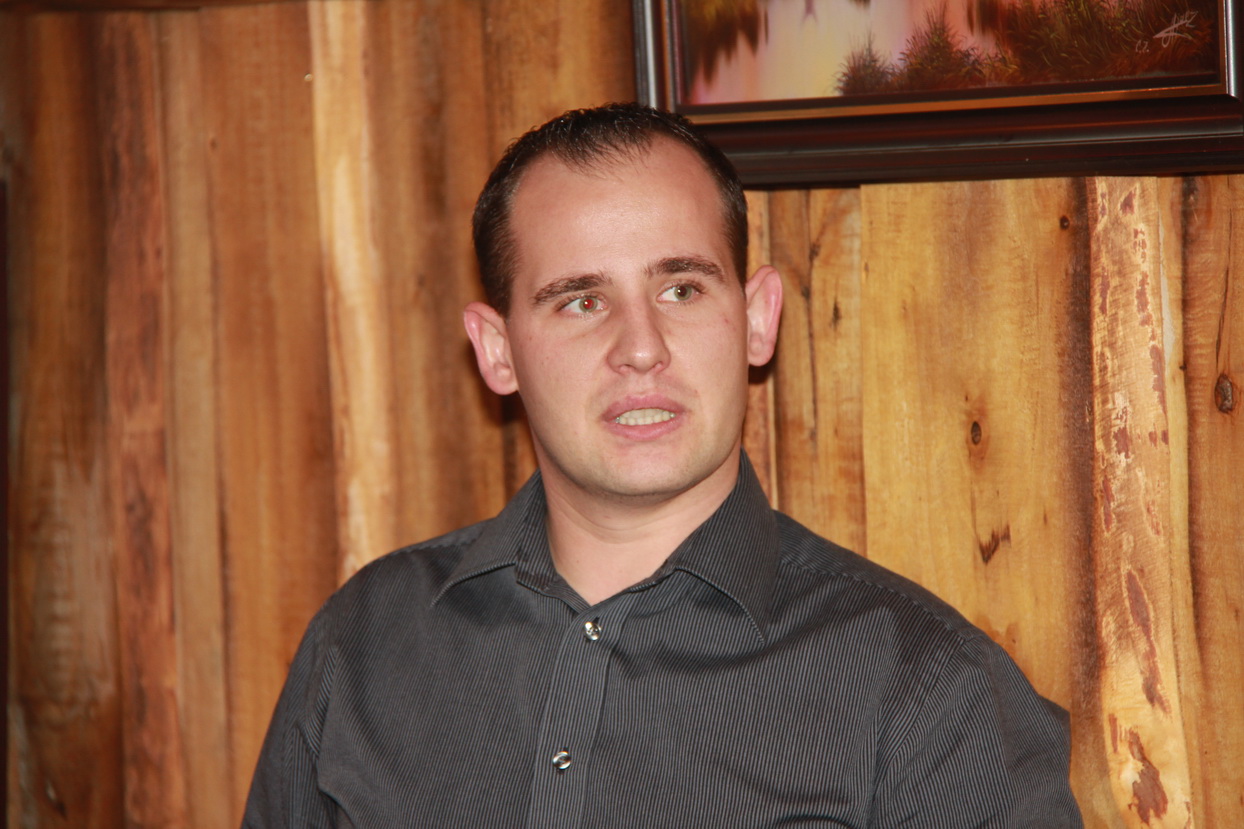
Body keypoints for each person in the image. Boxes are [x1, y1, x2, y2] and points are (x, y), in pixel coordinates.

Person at [242, 103, 1081, 827]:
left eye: (681, 289)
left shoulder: (927, 690)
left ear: (757, 319)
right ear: (497, 350)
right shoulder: (362, 645)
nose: (640, 348)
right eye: (582, 300)